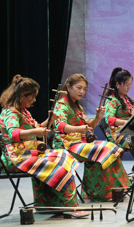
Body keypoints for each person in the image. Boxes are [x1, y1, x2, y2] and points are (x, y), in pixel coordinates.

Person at [0, 76, 87, 217]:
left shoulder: (23, 112)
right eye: (32, 97)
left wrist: (50, 120)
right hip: (15, 157)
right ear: (22, 96)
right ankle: (69, 207)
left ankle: (50, 204)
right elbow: (14, 133)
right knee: (56, 162)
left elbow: (38, 128)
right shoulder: (11, 113)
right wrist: (36, 132)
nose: (34, 100)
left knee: (63, 156)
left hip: (28, 153)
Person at [52, 73, 130, 201]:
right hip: (66, 144)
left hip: (80, 142)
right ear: (68, 87)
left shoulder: (78, 106)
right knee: (104, 150)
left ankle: (116, 189)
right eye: (79, 88)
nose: (82, 92)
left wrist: (98, 118)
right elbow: (59, 125)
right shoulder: (62, 104)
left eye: (84, 89)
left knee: (111, 148)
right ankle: (101, 193)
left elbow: (88, 127)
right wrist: (79, 129)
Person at [102, 67, 134, 148]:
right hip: (116, 134)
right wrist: (126, 123)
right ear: (117, 84)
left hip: (127, 131)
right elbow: (109, 119)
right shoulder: (112, 100)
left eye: (130, 85)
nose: (129, 87)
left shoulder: (125, 98)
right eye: (127, 85)